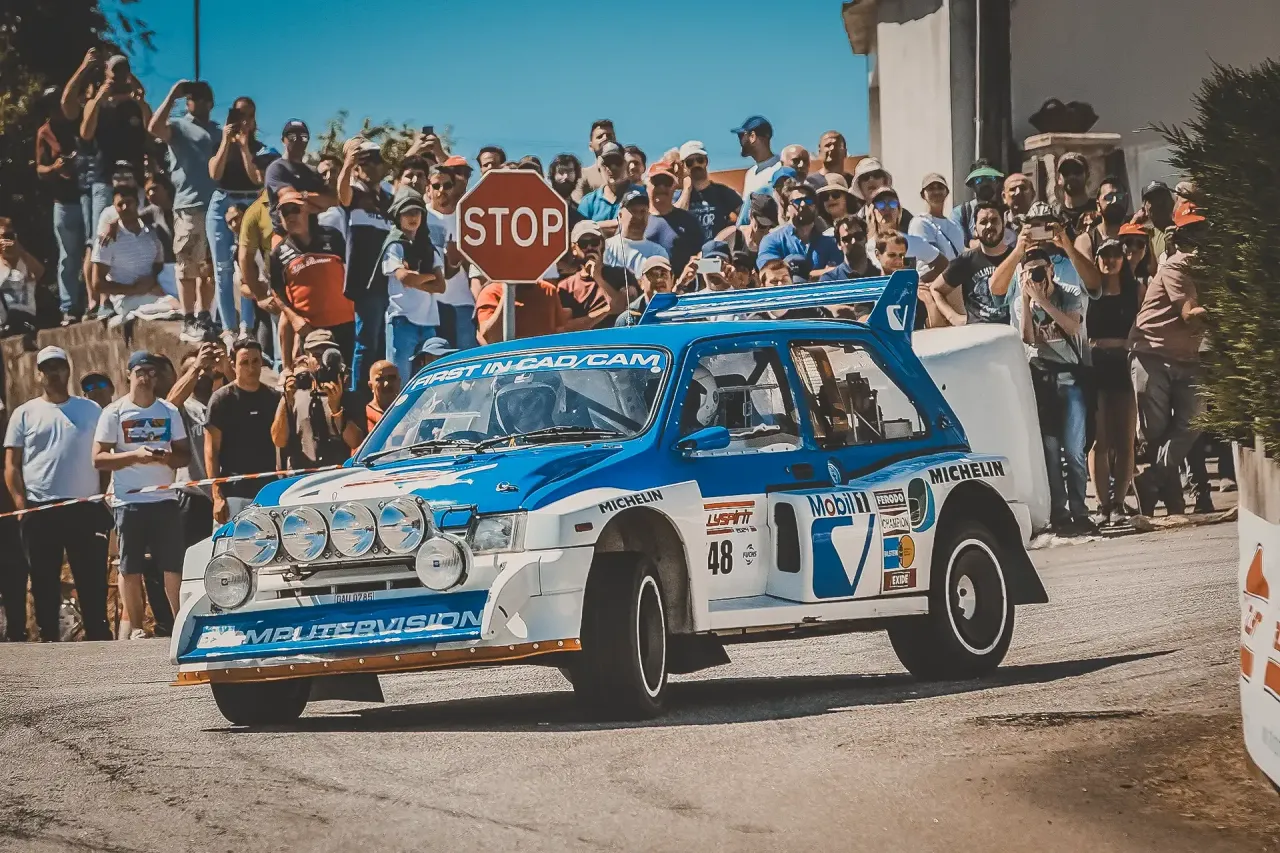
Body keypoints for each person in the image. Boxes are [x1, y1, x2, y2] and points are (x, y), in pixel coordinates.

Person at [4, 346, 110, 641]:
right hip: (40, 509)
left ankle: (98, 635)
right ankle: (48, 636)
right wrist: (21, 504)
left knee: (91, 577)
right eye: (47, 368)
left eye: (58, 366)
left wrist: (100, 494)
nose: (53, 373)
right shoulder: (24, 413)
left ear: (68, 370)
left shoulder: (91, 410)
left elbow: (103, 455)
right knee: (43, 579)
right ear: (38, 374)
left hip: (84, 506)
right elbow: (11, 465)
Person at [94, 351, 190, 639]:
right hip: (129, 501)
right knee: (130, 567)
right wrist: (135, 455)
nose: (146, 378)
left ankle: (180, 623)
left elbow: (184, 455)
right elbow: (98, 458)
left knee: (173, 566)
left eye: (151, 373)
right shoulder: (114, 412)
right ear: (129, 375)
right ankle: (136, 627)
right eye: (140, 372)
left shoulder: (168, 411)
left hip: (164, 499)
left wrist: (166, 457)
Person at [1128, 202, 1209, 516]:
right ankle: (1171, 498)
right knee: (1156, 432)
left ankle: (1151, 481)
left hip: (1186, 357)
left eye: (1201, 230)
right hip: (1152, 353)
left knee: (1196, 420)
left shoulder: (1208, 267)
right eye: (1191, 232)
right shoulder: (1177, 266)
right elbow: (1190, 314)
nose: (1197, 239)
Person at [1008, 247, 1092, 534]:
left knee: (1075, 451)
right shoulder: (1021, 302)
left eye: (1040, 269)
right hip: (1042, 380)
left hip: (1070, 378)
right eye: (1029, 272)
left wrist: (1044, 301)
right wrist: (1027, 300)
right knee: (1051, 452)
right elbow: (1027, 338)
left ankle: (1081, 510)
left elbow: (1072, 327)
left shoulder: (1069, 293)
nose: (1036, 276)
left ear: (1051, 269)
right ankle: (1060, 512)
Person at [149, 79, 217, 343]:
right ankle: (188, 318)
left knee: (209, 267)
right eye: (191, 98)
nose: (195, 102)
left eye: (200, 98)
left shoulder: (218, 131)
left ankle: (204, 315)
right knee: (187, 266)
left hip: (215, 205)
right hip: (188, 204)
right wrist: (172, 96)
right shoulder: (178, 125)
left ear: (210, 102)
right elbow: (154, 128)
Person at [268, 186, 355, 368]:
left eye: (295, 209)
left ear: (307, 210)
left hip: (347, 324)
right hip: (312, 332)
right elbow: (277, 292)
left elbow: (353, 270)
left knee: (347, 377)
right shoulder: (278, 253)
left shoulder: (332, 236)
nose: (290, 216)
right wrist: (294, 318)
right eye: (285, 212)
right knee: (316, 378)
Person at [1088, 237, 1142, 526]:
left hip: (1125, 368)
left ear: (1124, 258)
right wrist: (1109, 343)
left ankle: (1119, 503)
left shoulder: (1135, 290)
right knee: (1099, 440)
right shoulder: (1090, 292)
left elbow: (1142, 328)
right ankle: (1101, 505)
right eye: (1104, 256)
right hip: (1096, 369)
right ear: (1097, 259)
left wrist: (1118, 343)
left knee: (1125, 440)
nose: (1110, 261)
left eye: (1115, 255)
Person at [335, 139, 394, 390]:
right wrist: (348, 163)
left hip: (389, 281)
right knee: (366, 342)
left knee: (384, 343)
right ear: (357, 168)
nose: (371, 167)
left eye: (376, 161)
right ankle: (358, 394)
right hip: (366, 282)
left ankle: (383, 393)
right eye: (365, 162)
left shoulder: (389, 198)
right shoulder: (355, 194)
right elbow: (342, 194)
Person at [207, 96, 265, 339]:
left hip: (249, 201)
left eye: (249, 116)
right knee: (222, 268)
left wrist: (243, 146)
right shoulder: (220, 144)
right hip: (222, 200)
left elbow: (257, 179)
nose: (244, 121)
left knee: (247, 265)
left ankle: (246, 328)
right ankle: (228, 327)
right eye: (239, 115)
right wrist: (226, 140)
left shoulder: (259, 149)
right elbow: (215, 173)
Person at [205, 338, 279, 523]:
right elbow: (211, 451)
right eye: (244, 362)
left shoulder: (275, 398)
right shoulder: (221, 400)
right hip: (234, 493)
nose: (251, 368)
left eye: (255, 361)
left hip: (270, 491)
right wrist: (217, 496)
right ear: (233, 364)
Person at [166, 342, 231, 546]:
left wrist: (227, 366)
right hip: (193, 497)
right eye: (196, 370)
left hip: (228, 493)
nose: (203, 373)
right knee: (192, 557)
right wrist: (196, 367)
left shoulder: (223, 401)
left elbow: (246, 392)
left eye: (207, 368)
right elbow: (169, 405)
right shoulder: (183, 408)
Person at [79, 55, 151, 235]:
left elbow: (152, 132)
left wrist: (141, 102)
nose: (119, 78)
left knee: (138, 234)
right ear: (106, 73)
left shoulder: (136, 104)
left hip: (134, 178)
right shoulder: (95, 104)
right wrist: (99, 99)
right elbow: (86, 134)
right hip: (104, 177)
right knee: (101, 235)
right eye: (115, 72)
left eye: (123, 72)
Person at [35, 86, 88, 324]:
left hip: (87, 195)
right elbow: (39, 169)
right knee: (68, 256)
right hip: (64, 202)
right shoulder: (44, 132)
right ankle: (69, 306)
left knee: (94, 251)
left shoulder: (79, 123)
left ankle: (95, 301)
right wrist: (55, 168)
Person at [382, 188, 446, 381]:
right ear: (398, 216)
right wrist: (428, 276)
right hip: (402, 321)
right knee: (400, 380)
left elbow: (440, 286)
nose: (412, 217)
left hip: (428, 323)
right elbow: (404, 278)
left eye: (417, 212)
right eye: (407, 212)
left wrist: (416, 278)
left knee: (429, 380)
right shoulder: (394, 245)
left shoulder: (429, 248)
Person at [272, 337, 364, 470]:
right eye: (317, 355)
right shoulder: (296, 393)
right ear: (306, 360)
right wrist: (286, 398)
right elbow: (279, 440)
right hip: (302, 473)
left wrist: (336, 409)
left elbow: (356, 442)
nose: (323, 361)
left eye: (328, 355)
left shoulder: (348, 397)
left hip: (336, 473)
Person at [988, 202, 1102, 303]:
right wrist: (1018, 251)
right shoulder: (1015, 269)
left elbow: (1095, 286)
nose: (1041, 233)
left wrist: (1068, 246)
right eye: (1035, 227)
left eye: (1047, 227)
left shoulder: (1074, 265)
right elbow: (995, 290)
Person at [90, 187, 165, 324]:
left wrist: (152, 280)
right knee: (173, 305)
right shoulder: (107, 239)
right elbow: (97, 284)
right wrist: (133, 290)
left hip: (154, 291)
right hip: (125, 299)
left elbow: (158, 266)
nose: (124, 207)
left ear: (137, 203)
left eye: (129, 202)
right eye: (120, 204)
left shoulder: (151, 234)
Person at [423, 166, 477, 350]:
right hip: (428, 304)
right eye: (436, 185)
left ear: (454, 188)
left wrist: (458, 259)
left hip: (463, 301)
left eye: (447, 185)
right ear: (427, 189)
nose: (442, 190)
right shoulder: (419, 216)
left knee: (467, 358)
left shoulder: (467, 217)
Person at [932, 202, 1013, 325]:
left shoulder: (1016, 257)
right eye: (983, 222)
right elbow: (936, 289)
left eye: (994, 220)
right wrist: (952, 317)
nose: (989, 226)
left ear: (1003, 224)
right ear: (975, 230)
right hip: (976, 332)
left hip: (1011, 332)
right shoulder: (966, 261)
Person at [263, 120, 339, 233]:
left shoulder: (312, 171)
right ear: (283, 140)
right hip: (286, 234)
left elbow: (332, 201)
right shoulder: (277, 168)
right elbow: (290, 200)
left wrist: (304, 197)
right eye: (292, 136)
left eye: (303, 137)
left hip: (313, 233)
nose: (298, 140)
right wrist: (317, 204)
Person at [558, 220, 630, 330]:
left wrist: (597, 277)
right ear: (574, 249)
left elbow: (621, 308)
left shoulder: (621, 274)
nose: (590, 247)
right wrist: (605, 310)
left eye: (594, 242)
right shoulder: (566, 286)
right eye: (583, 244)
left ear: (602, 244)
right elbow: (565, 327)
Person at [757, 185, 841, 277]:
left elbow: (838, 273)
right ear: (787, 210)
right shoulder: (772, 240)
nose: (803, 204)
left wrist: (797, 273)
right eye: (797, 201)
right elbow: (771, 274)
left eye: (808, 201)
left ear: (816, 208)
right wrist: (820, 273)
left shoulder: (831, 243)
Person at [642, 163, 702, 274]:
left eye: (667, 183)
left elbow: (700, 257)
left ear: (675, 187)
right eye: (657, 182)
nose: (662, 187)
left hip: (682, 284)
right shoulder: (636, 219)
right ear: (646, 186)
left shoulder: (688, 221)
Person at [676, 141, 741, 242]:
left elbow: (746, 216)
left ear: (706, 161)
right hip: (689, 251)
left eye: (700, 160)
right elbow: (674, 222)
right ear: (683, 165)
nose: (696, 165)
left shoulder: (723, 192)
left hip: (717, 250)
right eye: (690, 162)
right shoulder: (678, 197)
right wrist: (687, 189)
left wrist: (732, 233)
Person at [475, 274, 570, 343]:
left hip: (544, 358)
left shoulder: (548, 290)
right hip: (509, 360)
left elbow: (559, 332)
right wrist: (508, 294)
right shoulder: (491, 293)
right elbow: (490, 337)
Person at [605, 187, 669, 276]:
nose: (638, 217)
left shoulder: (658, 252)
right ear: (620, 215)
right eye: (633, 211)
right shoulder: (607, 248)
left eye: (643, 212)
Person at [732, 116, 782, 222]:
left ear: (752, 136)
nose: (740, 141)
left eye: (741, 136)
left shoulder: (780, 168)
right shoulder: (750, 173)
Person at [0, 221, 44, 335]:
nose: (5, 240)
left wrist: (19, 250)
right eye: (2, 236)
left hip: (25, 315)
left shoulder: (23, 258)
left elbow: (40, 273)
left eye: (8, 236)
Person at [910, 173, 966, 261]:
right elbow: (930, 258)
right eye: (931, 188)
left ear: (947, 192)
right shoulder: (920, 223)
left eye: (940, 188)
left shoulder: (955, 226)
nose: (936, 192)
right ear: (923, 195)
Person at [718, 193, 778, 273]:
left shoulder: (774, 242)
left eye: (770, 226)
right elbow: (706, 259)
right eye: (761, 225)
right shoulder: (732, 235)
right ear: (750, 215)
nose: (765, 230)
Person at [577, 142, 632, 226]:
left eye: (617, 162)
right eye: (607, 162)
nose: (613, 167)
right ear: (599, 166)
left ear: (625, 164)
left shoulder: (640, 194)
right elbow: (580, 229)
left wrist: (595, 225)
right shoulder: (588, 202)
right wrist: (619, 223)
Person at [850, 158, 912, 232]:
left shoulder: (906, 218)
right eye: (865, 177)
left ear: (884, 181)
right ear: (859, 186)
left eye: (876, 175)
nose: (871, 179)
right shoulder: (855, 222)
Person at [950, 163, 1004, 247]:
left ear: (997, 182)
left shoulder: (1006, 211)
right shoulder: (960, 213)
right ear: (972, 185)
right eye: (979, 180)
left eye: (990, 178)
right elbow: (958, 247)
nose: (985, 183)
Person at [1076, 175, 1131, 258]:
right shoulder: (1085, 241)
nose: (1114, 201)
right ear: (1098, 205)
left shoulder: (1138, 236)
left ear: (1126, 201)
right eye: (1109, 197)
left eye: (1119, 196)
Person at [616, 256, 673, 326]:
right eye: (652, 275)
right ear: (641, 282)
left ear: (672, 280)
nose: (658, 280)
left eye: (663, 274)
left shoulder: (683, 312)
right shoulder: (626, 320)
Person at [1052, 152, 1096, 237]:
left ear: (1087, 175)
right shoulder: (1054, 216)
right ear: (1059, 179)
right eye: (1066, 172)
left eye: (1077, 172)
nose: (1072, 176)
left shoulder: (1099, 210)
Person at [572, 120, 617, 202]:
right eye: (600, 137)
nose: (605, 138)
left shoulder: (628, 172)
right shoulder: (583, 174)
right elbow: (577, 204)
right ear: (591, 146)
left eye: (609, 136)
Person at [820, 216, 875, 281]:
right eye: (847, 238)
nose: (854, 241)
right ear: (839, 244)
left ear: (866, 238)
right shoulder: (829, 280)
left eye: (858, 236)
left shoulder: (881, 273)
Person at [1137, 180, 1176, 260]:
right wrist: (1135, 220)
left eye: (1162, 198)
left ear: (1172, 202)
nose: (1159, 203)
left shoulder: (1182, 229)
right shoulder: (1145, 234)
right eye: (1153, 200)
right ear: (1144, 207)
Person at [366, 360, 401, 432]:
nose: (386, 384)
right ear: (371, 386)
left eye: (391, 378)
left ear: (399, 382)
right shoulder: (364, 416)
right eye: (380, 379)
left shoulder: (410, 410)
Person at [1119, 221, 1156, 288]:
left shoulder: (1148, 281)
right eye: (1129, 242)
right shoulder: (1114, 276)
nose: (1134, 248)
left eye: (1139, 243)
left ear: (1145, 249)